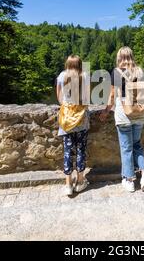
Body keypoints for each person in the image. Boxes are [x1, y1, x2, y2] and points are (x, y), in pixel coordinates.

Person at [100, 47, 144, 193]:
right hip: (139, 113)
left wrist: (105, 111)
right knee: (137, 144)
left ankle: (129, 180)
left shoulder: (116, 72)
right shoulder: (140, 71)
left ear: (119, 57)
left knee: (126, 148)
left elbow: (111, 97)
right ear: (131, 56)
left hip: (124, 113)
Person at [56, 55, 90, 196]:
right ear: (80, 64)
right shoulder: (85, 75)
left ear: (67, 64)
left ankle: (68, 184)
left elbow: (59, 97)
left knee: (68, 151)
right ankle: (80, 182)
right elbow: (87, 98)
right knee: (81, 150)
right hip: (82, 119)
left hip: (67, 118)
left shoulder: (62, 75)